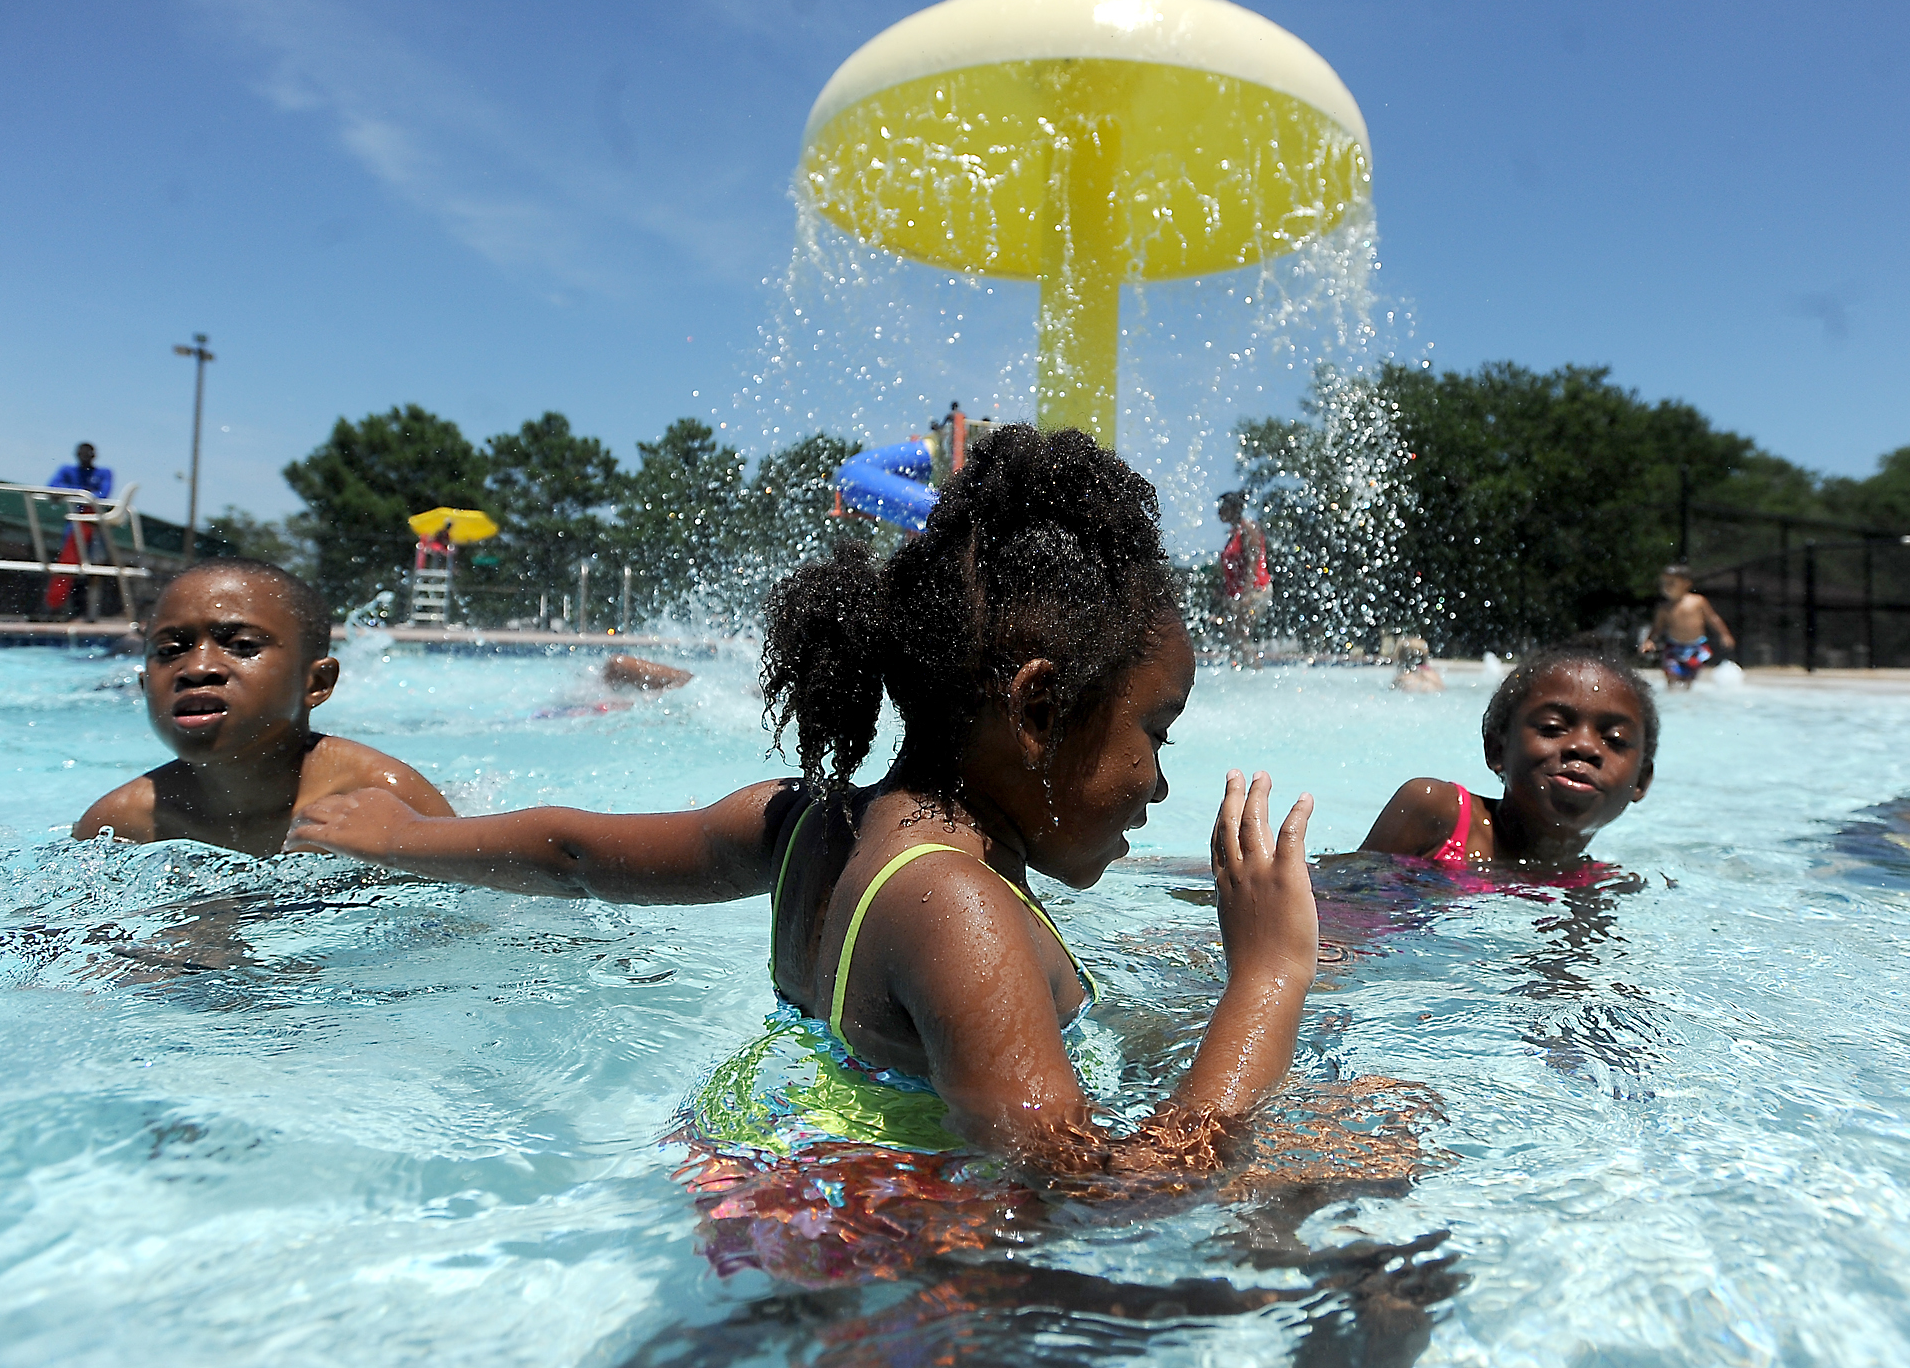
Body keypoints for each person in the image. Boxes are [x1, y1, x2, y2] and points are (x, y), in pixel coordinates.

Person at [287, 426, 1319, 1172]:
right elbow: (1100, 1192)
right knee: (1343, 1207)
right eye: (1155, 731)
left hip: (784, 1187)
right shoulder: (956, 911)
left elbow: (576, 853)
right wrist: (1263, 982)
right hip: (896, 1264)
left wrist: (404, 834)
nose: (1160, 779)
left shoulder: (803, 821)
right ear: (1039, 708)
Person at [75, 560, 454, 857]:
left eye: (241, 646)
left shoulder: (384, 800)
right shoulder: (119, 825)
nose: (196, 668)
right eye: (169, 652)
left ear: (316, 684)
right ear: (144, 688)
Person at [1359, 640, 1656, 867]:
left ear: (1641, 780)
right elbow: (1340, 911)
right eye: (1552, 728)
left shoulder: (1597, 888)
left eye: (1615, 739)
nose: (1584, 747)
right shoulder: (1440, 814)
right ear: (1496, 749)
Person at [1640, 563, 1736, 688]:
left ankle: (1686, 700)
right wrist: (1649, 640)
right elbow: (1657, 628)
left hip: (1696, 646)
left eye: (1671, 583)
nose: (1666, 587)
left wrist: (1725, 634)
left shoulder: (1698, 601)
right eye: (1664, 583)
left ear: (1686, 583)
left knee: (1688, 679)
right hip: (1674, 647)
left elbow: (1713, 619)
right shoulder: (1664, 608)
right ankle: (1673, 696)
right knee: (1671, 676)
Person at [46, 443, 114, 615]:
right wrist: (83, 492)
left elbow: (102, 495)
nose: (85, 457)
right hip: (72, 530)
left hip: (94, 528)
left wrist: (75, 493)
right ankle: (58, 610)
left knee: (92, 570)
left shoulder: (103, 473)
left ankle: (87, 613)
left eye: (88, 454)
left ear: (94, 456)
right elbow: (53, 487)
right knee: (66, 569)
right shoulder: (67, 471)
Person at [1216, 490, 1272, 663]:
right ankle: (1238, 674)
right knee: (1234, 636)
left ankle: (1256, 672)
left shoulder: (1249, 528)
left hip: (1255, 591)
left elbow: (1253, 564)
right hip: (1239, 593)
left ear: (1234, 509)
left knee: (1240, 635)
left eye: (1222, 507)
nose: (1219, 511)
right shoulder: (1234, 532)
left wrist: (1246, 595)